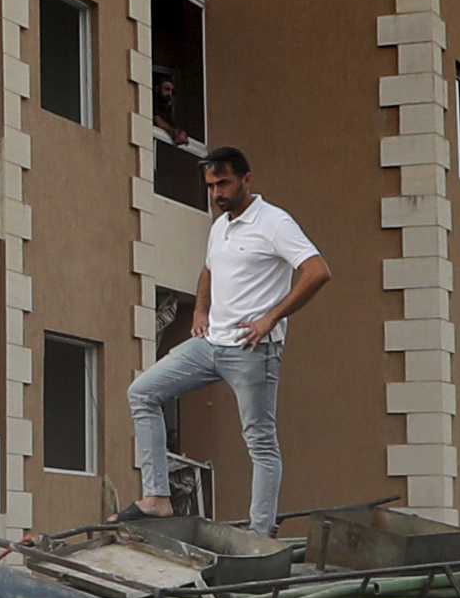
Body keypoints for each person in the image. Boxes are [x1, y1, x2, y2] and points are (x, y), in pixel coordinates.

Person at [130, 143, 326, 532]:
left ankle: (259, 532)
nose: (218, 193)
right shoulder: (219, 225)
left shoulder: (274, 223)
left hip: (253, 351)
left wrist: (271, 318)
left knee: (260, 442)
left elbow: (317, 271)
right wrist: (200, 309)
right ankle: (157, 498)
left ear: (246, 180)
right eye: (211, 186)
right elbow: (208, 269)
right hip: (210, 345)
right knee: (143, 392)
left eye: (224, 183)